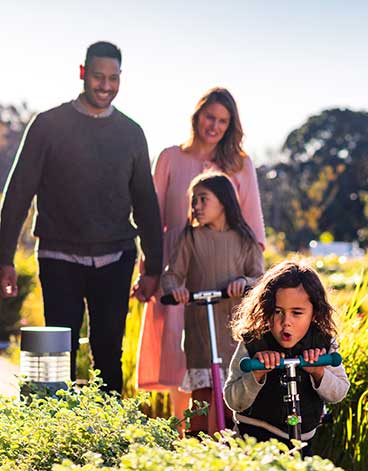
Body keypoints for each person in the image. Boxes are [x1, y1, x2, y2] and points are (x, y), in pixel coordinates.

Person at [0, 41, 162, 394]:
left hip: (116, 257)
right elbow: (17, 195)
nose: (106, 86)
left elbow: (146, 203)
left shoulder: (131, 133)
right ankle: (55, 438)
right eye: (98, 77)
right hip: (59, 255)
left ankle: (110, 441)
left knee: (108, 354)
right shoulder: (47, 125)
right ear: (82, 73)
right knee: (58, 355)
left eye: (114, 78)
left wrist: (154, 269)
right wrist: (4, 260)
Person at [136, 87, 266, 428]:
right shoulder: (169, 157)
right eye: (210, 117)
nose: (215, 126)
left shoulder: (240, 164)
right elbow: (153, 218)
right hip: (177, 270)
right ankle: (183, 432)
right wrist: (151, 271)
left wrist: (251, 280)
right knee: (181, 352)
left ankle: (223, 432)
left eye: (224, 121)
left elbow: (253, 224)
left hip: (225, 279)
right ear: (197, 116)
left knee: (221, 353)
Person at [160, 173, 264, 435]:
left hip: (233, 332)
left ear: (224, 201)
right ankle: (197, 446)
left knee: (232, 394)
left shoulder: (245, 240)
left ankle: (231, 445)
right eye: (194, 200)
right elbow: (172, 275)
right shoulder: (191, 238)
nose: (196, 205)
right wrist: (176, 290)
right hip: (201, 331)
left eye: (203, 199)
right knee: (203, 397)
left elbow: (260, 280)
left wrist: (244, 282)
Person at [224, 259, 349, 455]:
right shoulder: (254, 342)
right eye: (277, 312)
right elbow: (233, 399)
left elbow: (339, 392)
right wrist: (256, 373)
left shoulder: (322, 343)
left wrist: (318, 372)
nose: (285, 322)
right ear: (266, 308)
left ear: (314, 313)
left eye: (297, 313)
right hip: (254, 440)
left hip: (302, 442)